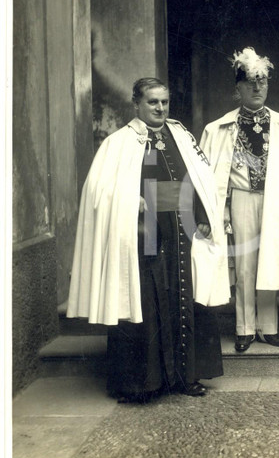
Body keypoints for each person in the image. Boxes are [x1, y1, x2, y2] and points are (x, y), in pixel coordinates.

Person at [67, 77, 229, 403]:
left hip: (180, 229)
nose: (159, 108)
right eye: (153, 102)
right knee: (147, 302)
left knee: (186, 297)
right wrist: (131, 198)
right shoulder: (119, 142)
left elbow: (198, 180)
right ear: (136, 104)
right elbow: (99, 191)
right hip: (144, 232)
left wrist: (202, 216)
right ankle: (143, 384)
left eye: (164, 102)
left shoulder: (180, 135)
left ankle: (186, 377)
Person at [201, 47, 279, 353]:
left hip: (276, 200)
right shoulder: (218, 129)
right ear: (238, 89)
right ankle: (244, 327)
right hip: (242, 198)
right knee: (245, 264)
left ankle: (268, 327)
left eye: (262, 82)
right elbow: (206, 176)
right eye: (250, 82)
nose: (257, 88)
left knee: (270, 261)